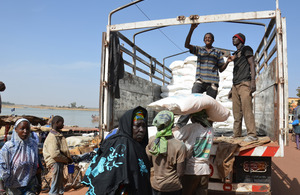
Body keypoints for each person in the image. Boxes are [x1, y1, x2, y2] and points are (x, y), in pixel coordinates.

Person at [83, 106, 152, 195]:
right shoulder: (121, 144)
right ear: (128, 125)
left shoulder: (138, 146)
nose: (142, 130)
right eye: (137, 126)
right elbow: (107, 178)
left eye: (144, 126)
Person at [174, 24, 229, 129]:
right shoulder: (199, 50)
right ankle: (180, 125)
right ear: (204, 40)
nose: (207, 39)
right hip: (200, 81)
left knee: (210, 107)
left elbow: (221, 69)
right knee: (191, 102)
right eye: (206, 38)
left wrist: (228, 62)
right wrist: (191, 29)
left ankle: (207, 128)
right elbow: (186, 45)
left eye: (209, 38)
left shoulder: (217, 52)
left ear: (213, 40)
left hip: (213, 82)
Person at [225, 33, 258, 142]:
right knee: (236, 112)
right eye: (232, 37)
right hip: (235, 85)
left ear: (241, 40)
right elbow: (236, 72)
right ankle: (237, 134)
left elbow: (251, 63)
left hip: (245, 83)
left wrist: (253, 81)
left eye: (235, 37)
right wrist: (231, 88)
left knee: (247, 109)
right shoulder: (235, 54)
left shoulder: (246, 49)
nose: (233, 39)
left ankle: (252, 134)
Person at [173, 110, 214, 195]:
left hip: (191, 170)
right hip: (205, 171)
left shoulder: (191, 127)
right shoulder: (211, 130)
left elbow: (175, 136)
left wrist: (177, 128)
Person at [146, 110, 186, 195]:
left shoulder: (152, 141)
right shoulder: (180, 145)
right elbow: (180, 172)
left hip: (156, 186)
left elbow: (148, 163)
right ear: (172, 124)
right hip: (173, 188)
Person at [0, 118, 41, 195]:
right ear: (16, 130)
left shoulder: (33, 145)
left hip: (30, 185)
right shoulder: (8, 147)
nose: (25, 131)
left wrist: (39, 182)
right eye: (22, 129)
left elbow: (37, 165)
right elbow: (1, 168)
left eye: (27, 129)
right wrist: (1, 188)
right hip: (13, 187)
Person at [43, 115, 73, 195]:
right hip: (55, 162)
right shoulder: (52, 137)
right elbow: (55, 154)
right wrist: (67, 159)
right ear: (56, 123)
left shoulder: (57, 135)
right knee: (55, 185)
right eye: (62, 123)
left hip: (59, 162)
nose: (63, 125)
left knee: (59, 185)